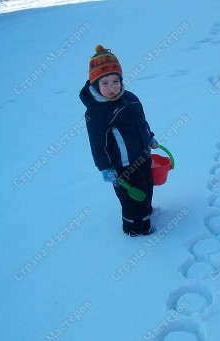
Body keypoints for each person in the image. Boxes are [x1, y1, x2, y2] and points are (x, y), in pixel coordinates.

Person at [80, 45, 158, 236]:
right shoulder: (97, 112)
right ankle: (135, 229)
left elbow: (141, 121)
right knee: (131, 199)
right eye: (104, 83)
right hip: (122, 166)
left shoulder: (130, 98)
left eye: (115, 81)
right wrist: (106, 167)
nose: (112, 87)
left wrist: (149, 137)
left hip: (142, 156)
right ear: (95, 85)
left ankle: (146, 213)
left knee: (147, 186)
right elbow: (98, 144)